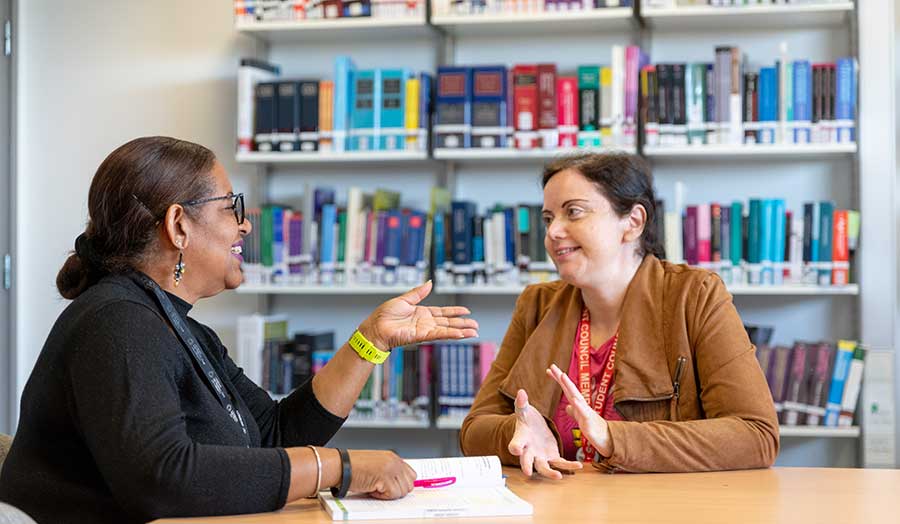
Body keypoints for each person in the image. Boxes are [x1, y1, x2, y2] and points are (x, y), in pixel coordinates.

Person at [0, 136, 478, 524]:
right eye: (231, 207)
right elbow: (161, 478)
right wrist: (338, 467)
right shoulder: (117, 323)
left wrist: (370, 341)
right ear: (179, 225)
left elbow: (276, 434)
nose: (245, 226)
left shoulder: (181, 328)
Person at [460, 153, 778, 478]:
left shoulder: (695, 296)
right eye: (548, 218)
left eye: (573, 212)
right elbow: (474, 430)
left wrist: (613, 437)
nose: (553, 231)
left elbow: (756, 435)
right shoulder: (537, 304)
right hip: (558, 500)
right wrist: (517, 432)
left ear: (633, 222)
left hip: (661, 503)